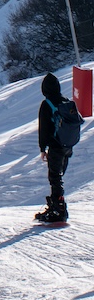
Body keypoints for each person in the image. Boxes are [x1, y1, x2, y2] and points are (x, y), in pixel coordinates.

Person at [36, 72, 83, 223]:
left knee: (55, 176)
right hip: (68, 145)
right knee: (59, 175)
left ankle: (58, 208)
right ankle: (57, 205)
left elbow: (44, 128)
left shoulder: (47, 104)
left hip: (56, 145)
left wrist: (43, 148)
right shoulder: (65, 101)